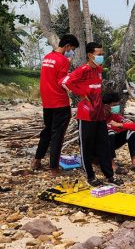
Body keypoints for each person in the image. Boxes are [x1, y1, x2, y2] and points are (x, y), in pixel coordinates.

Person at [62, 42, 121, 186]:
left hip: (99, 114)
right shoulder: (83, 69)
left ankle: (109, 175)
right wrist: (81, 94)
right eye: (99, 54)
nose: (102, 57)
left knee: (104, 145)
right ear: (90, 55)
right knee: (86, 146)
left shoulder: (99, 70)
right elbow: (65, 82)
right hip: (86, 115)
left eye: (102, 54)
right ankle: (90, 175)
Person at [32, 34, 80, 175]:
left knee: (47, 131)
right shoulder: (63, 60)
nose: (72, 51)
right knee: (57, 135)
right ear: (68, 46)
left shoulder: (47, 57)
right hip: (59, 102)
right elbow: (62, 81)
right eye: (73, 48)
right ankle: (54, 168)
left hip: (47, 102)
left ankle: (36, 160)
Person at [102, 92, 135, 174]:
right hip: (97, 149)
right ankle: (112, 165)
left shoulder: (115, 116)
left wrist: (119, 124)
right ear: (106, 106)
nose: (117, 107)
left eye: (118, 104)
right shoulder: (98, 117)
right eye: (114, 105)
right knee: (109, 132)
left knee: (130, 132)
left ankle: (134, 163)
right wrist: (113, 127)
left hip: (110, 145)